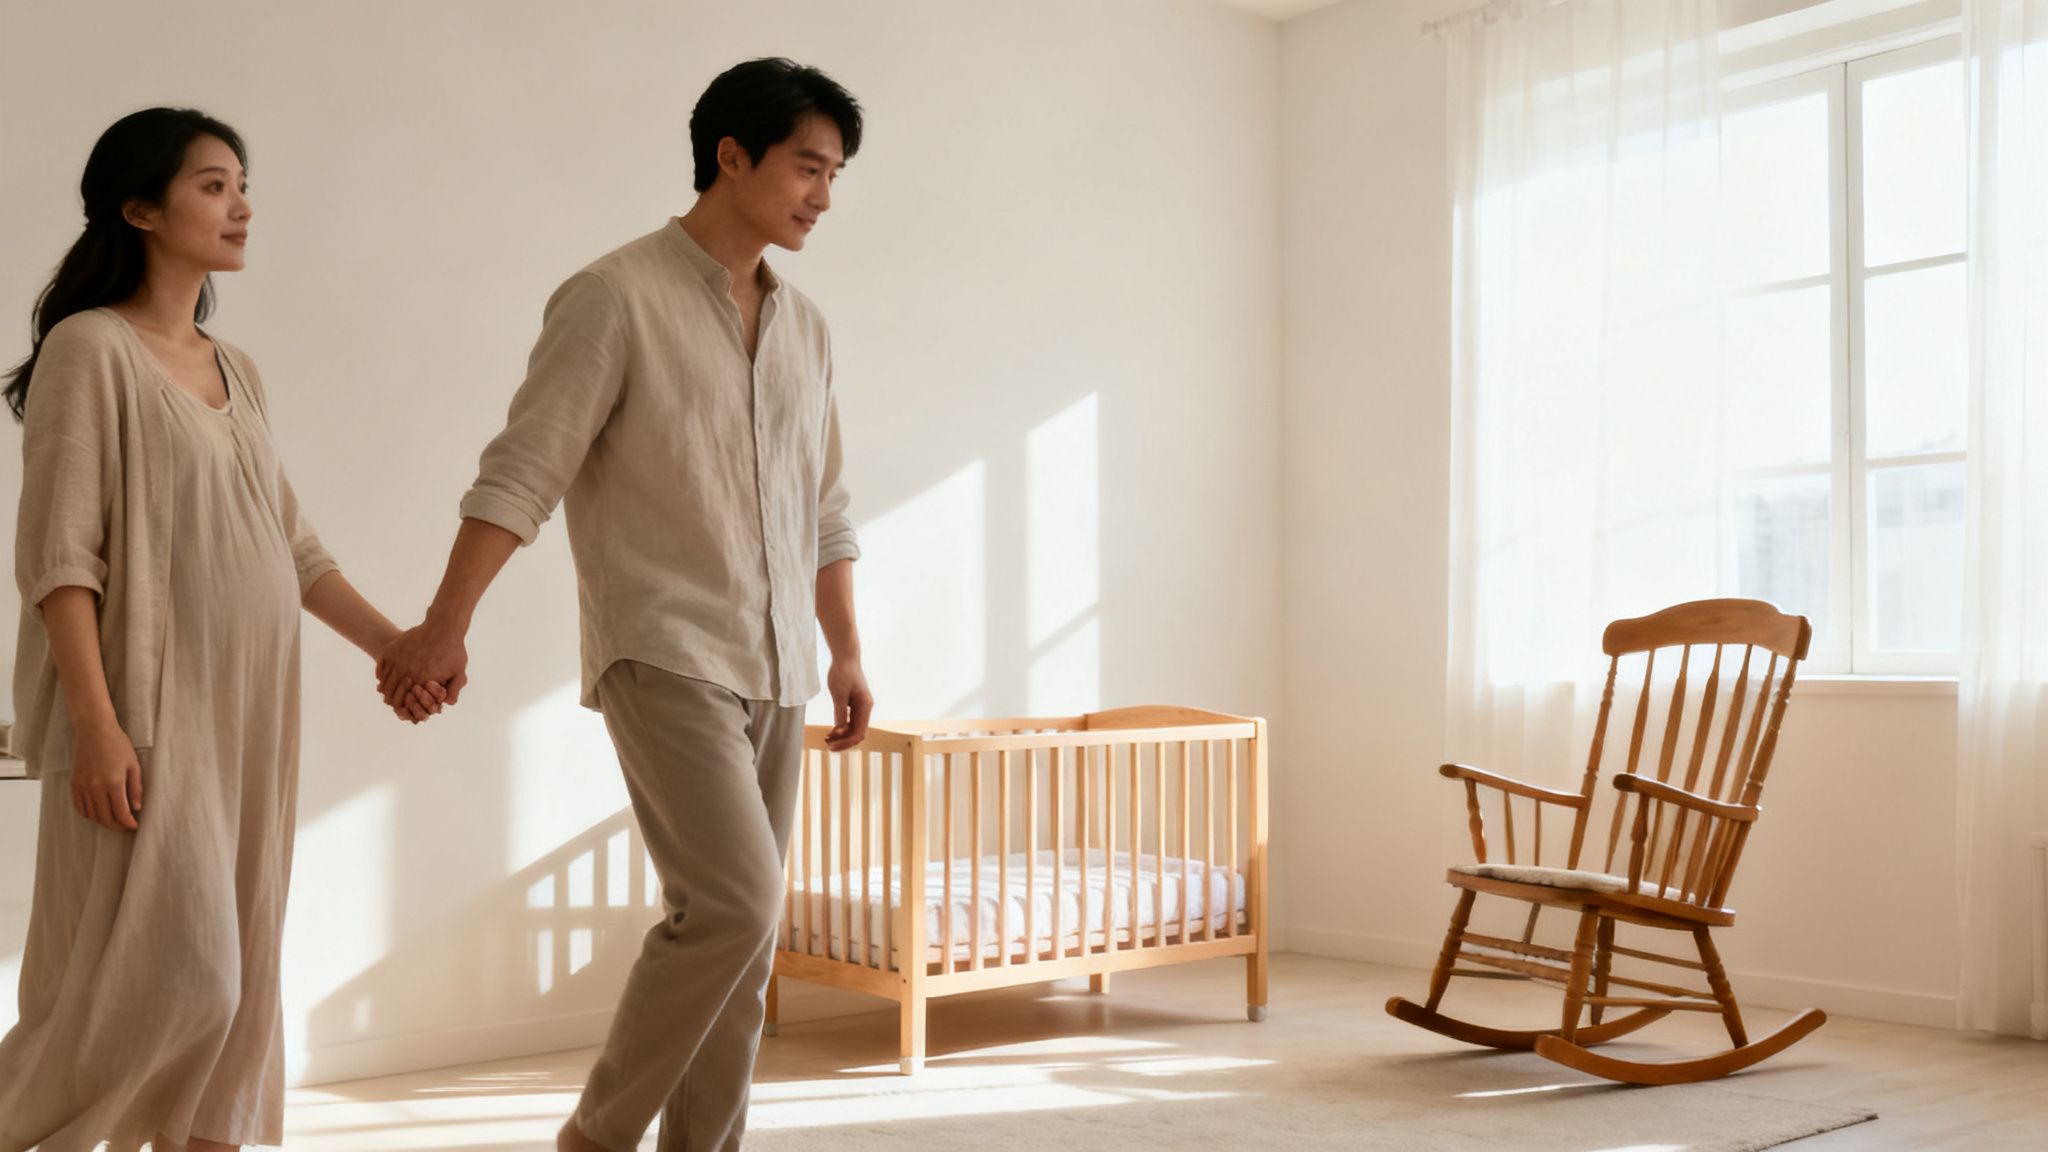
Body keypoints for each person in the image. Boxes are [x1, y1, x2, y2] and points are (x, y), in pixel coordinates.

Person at [376, 57, 873, 1152]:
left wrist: (842, 650)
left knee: (743, 942)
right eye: (805, 167)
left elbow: (823, 508)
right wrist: (444, 622)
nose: (821, 198)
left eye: (834, 175)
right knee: (733, 908)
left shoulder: (809, 329)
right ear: (729, 155)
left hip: (781, 659)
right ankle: (595, 1140)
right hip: (663, 646)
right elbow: (524, 470)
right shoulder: (612, 296)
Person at [0, 108, 444, 1152]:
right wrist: (98, 727)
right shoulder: (89, 350)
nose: (240, 205)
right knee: (165, 975)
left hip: (250, 714)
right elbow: (60, 560)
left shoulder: (236, 367)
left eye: (241, 183)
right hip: (147, 710)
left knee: (240, 972)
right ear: (140, 208)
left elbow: (291, 548)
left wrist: (396, 648)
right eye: (211, 184)